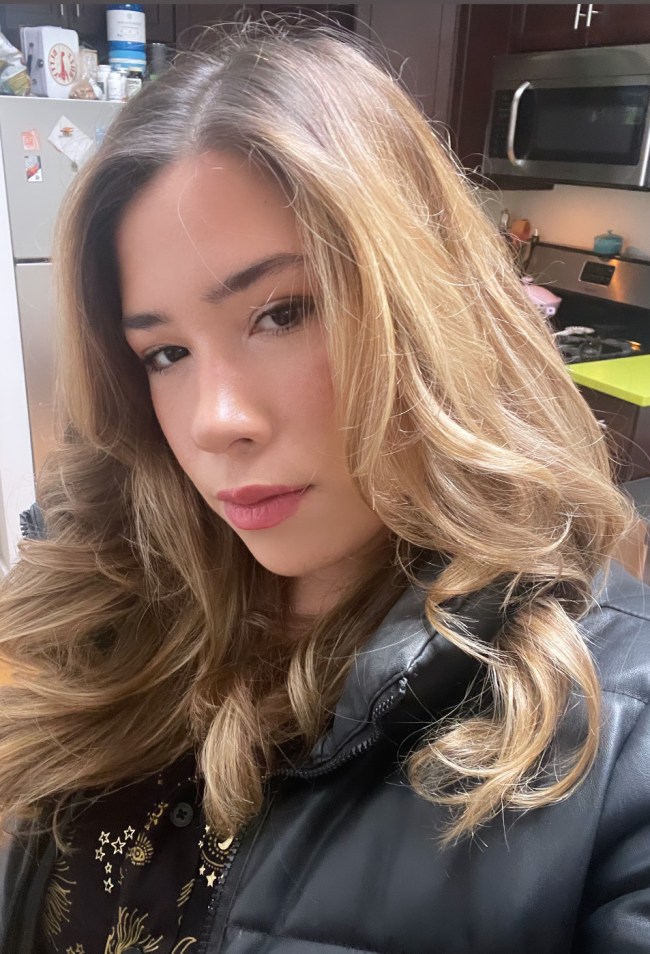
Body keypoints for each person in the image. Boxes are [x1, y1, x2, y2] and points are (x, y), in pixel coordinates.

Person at [1, 19, 649, 954]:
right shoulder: (111, 605)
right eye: (166, 353)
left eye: (282, 312)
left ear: (422, 304)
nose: (215, 420)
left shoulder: (617, 734)